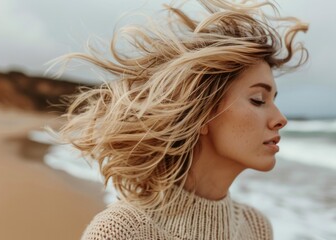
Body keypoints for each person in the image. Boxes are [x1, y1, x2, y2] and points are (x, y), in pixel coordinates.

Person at [56, 0, 308, 239]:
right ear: (203, 112)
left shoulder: (257, 228)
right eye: (258, 99)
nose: (280, 119)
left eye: (274, 99)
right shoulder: (121, 231)